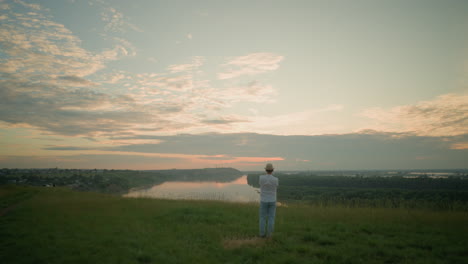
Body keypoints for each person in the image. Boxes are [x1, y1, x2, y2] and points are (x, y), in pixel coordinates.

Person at [259, 163, 279, 238]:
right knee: (271, 218)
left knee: (262, 218)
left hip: (263, 200)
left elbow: (260, 185)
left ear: (266, 170)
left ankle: (262, 234)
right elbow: (276, 187)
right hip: (272, 200)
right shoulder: (276, 179)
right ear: (272, 170)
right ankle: (269, 235)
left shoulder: (261, 178)